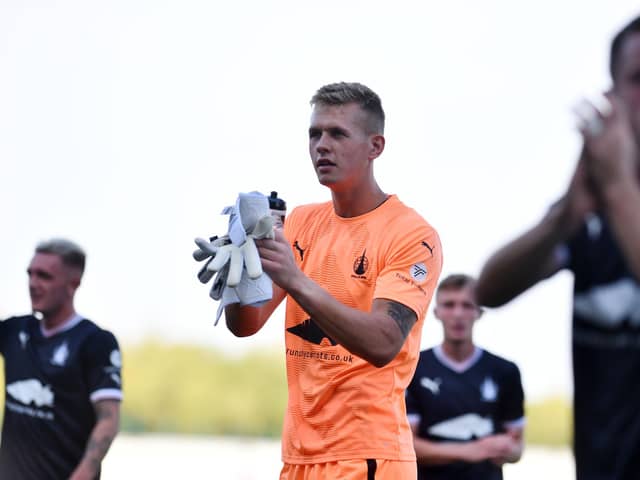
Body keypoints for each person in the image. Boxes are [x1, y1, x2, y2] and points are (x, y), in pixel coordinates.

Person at [224, 82, 443, 479]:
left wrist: (294, 279)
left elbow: (383, 343)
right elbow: (246, 325)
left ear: (375, 146)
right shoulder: (302, 221)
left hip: (367, 457)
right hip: (299, 457)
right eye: (315, 133)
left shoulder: (411, 233)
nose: (322, 145)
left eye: (338, 133)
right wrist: (237, 278)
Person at [475, 15, 640, 480]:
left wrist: (619, 189)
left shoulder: (618, 196)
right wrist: (563, 217)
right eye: (638, 79)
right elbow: (489, 289)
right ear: (611, 98)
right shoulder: (595, 213)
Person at [0, 238, 122, 479]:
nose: (33, 283)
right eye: (30, 274)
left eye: (44, 276)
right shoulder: (14, 331)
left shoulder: (95, 341)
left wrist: (82, 474)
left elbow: (108, 419)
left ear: (72, 284)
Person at [405, 274, 525, 480]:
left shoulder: (505, 370)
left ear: (479, 312)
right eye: (449, 305)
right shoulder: (413, 368)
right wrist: (472, 450)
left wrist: (507, 449)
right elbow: (407, 445)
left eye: (467, 305)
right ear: (436, 312)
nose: (458, 313)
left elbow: (517, 449)